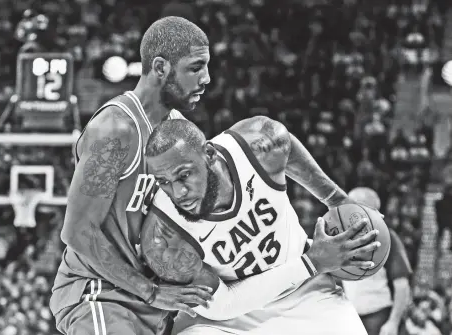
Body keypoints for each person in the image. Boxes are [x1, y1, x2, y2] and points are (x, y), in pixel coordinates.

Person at [140, 117, 382, 335]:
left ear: (210, 154)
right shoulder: (163, 236)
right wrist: (312, 262)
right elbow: (223, 304)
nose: (178, 192)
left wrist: (337, 200)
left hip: (307, 291)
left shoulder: (256, 146)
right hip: (229, 320)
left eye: (184, 175)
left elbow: (285, 143)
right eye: (163, 182)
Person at [50, 16, 213, 335]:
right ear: (161, 68)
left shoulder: (179, 130)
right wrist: (151, 292)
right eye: (196, 67)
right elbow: (78, 231)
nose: (206, 78)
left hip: (156, 305)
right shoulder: (115, 130)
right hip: (102, 295)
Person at [343, 187, 412, 335]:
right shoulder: (343, 238)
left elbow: (402, 286)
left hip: (380, 318)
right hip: (352, 319)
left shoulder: (387, 238)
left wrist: (393, 322)